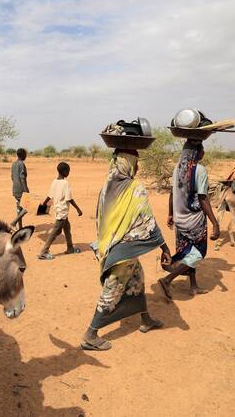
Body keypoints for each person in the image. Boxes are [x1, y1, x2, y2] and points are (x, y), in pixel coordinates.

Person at [81, 149, 172, 351]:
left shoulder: (107, 185)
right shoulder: (135, 188)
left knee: (137, 280)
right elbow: (148, 221)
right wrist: (164, 247)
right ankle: (90, 334)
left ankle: (145, 319)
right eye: (135, 162)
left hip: (110, 244)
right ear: (127, 164)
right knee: (112, 290)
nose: (137, 167)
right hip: (124, 250)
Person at [159, 139, 220, 300]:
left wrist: (171, 214)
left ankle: (193, 286)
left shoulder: (177, 169)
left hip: (180, 220)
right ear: (196, 152)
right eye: (201, 149)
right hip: (195, 221)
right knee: (198, 252)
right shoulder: (200, 170)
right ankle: (167, 280)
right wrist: (215, 222)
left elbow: (173, 193)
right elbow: (203, 198)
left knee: (186, 252)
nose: (203, 152)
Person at [38, 162, 82, 259]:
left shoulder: (55, 181)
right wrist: (78, 209)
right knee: (56, 231)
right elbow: (69, 198)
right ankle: (44, 251)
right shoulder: (66, 183)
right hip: (62, 211)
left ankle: (70, 248)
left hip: (58, 209)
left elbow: (50, 195)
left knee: (67, 228)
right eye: (68, 171)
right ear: (64, 171)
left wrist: (44, 203)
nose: (69, 173)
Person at [11, 148, 30, 228]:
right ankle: (14, 222)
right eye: (25, 154)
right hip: (21, 190)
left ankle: (20, 227)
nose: (26, 156)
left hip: (15, 189)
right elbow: (22, 178)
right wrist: (26, 191)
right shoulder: (21, 164)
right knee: (28, 207)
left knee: (19, 209)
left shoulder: (13, 164)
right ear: (22, 155)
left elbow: (12, 177)